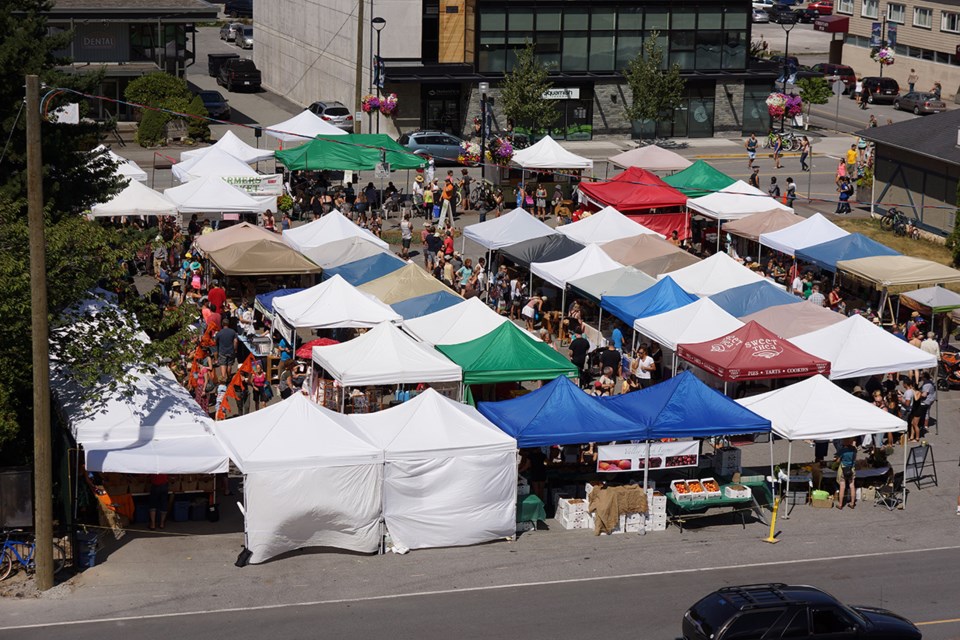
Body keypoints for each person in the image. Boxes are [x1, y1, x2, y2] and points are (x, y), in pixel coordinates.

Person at [834, 438, 857, 509]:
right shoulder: (854, 450)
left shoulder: (842, 451)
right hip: (851, 469)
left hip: (843, 469)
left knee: (842, 486)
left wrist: (836, 459)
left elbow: (837, 461)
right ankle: (852, 503)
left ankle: (840, 504)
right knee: (852, 486)